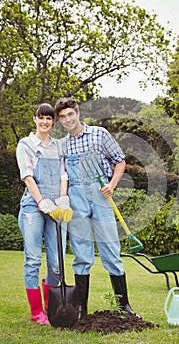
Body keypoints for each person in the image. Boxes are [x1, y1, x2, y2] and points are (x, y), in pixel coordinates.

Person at [54, 97, 141, 320]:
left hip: (101, 196)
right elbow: (64, 175)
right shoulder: (63, 144)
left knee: (111, 251)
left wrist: (111, 185)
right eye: (62, 117)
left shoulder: (99, 134)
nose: (67, 120)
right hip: (77, 198)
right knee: (81, 253)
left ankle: (124, 307)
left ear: (77, 112)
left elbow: (119, 161)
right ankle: (81, 309)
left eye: (70, 114)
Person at [16, 103, 73, 325]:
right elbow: (28, 176)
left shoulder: (59, 146)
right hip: (33, 205)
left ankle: (51, 304)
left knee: (57, 262)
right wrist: (42, 201)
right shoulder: (26, 145)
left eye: (49, 119)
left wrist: (62, 200)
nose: (45, 122)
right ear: (35, 119)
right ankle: (36, 311)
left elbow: (62, 176)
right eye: (41, 118)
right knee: (32, 259)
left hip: (56, 207)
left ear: (53, 121)